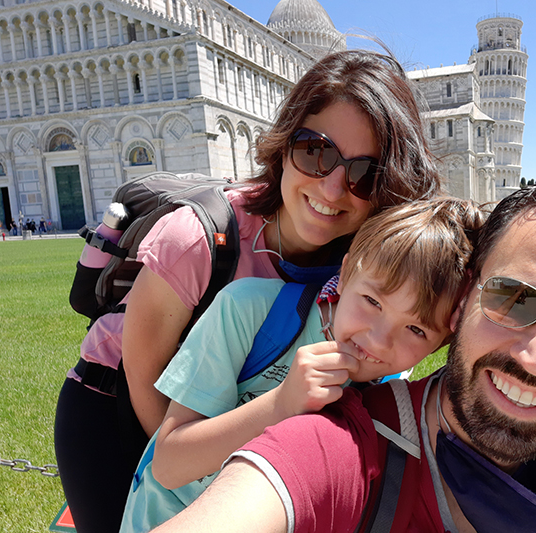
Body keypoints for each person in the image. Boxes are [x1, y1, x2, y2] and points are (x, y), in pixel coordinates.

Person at [54, 50, 441, 533]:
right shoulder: (198, 235)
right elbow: (145, 379)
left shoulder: (365, 268)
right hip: (117, 400)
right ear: (283, 147)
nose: (334, 188)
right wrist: (207, 485)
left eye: (365, 173)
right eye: (316, 152)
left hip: (227, 414)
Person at [152, 182, 536, 533]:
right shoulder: (347, 438)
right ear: (464, 303)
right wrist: (282, 404)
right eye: (514, 299)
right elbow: (250, 482)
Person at [120, 197, 484, 532]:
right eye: (372, 301)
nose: (378, 340)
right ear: (345, 273)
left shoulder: (392, 388)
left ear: (440, 345)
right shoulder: (248, 311)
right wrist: (281, 404)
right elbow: (168, 464)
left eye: (416, 329)